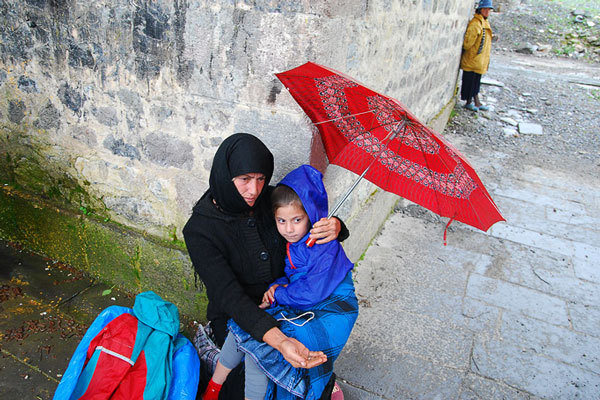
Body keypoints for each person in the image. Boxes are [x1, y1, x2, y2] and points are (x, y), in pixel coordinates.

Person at [182, 133, 348, 399]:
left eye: (261, 178)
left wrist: (336, 226)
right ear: (226, 175)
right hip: (239, 314)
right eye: (245, 179)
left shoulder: (270, 201)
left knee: (310, 357)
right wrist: (279, 341)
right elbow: (228, 296)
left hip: (288, 300)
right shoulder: (200, 230)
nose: (254, 190)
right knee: (253, 384)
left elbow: (306, 219)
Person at [460, 0, 494, 112]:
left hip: (479, 60)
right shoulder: (476, 24)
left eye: (488, 10)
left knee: (475, 82)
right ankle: (469, 102)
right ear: (480, 10)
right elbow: (468, 43)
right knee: (470, 81)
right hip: (473, 59)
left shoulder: (483, 23)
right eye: (485, 9)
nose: (487, 12)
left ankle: (476, 101)